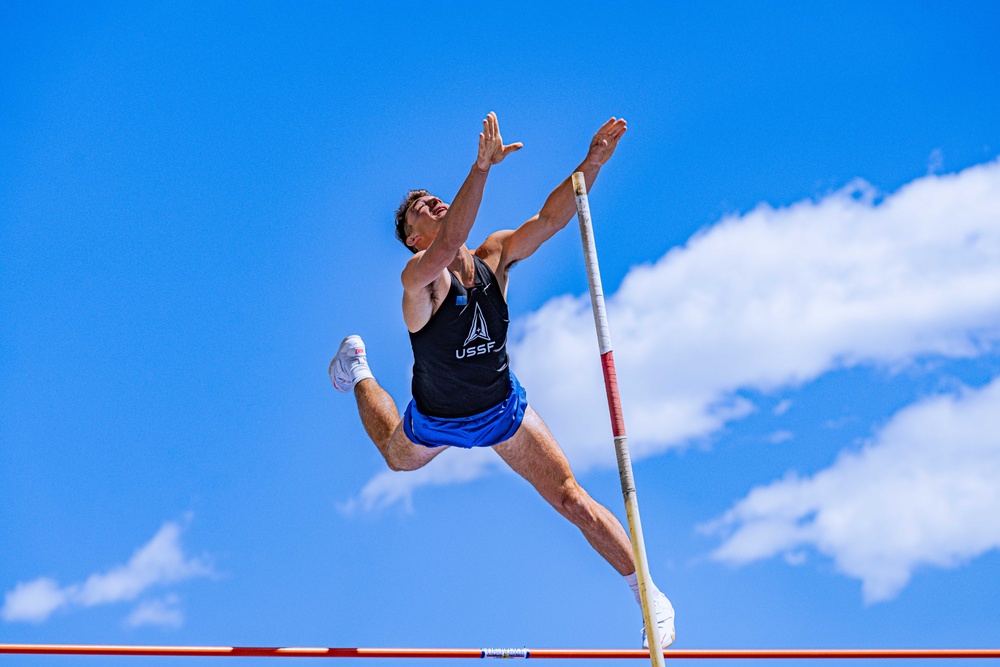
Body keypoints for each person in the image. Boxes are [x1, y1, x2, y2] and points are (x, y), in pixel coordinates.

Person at [330, 112, 675, 648]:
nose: (432, 202)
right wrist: (481, 167)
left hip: (501, 412)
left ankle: (646, 592)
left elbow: (549, 219)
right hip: (437, 419)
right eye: (421, 211)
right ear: (413, 241)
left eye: (434, 197)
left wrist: (591, 165)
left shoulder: (493, 256)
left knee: (572, 499)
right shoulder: (419, 279)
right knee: (395, 455)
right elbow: (447, 246)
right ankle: (358, 368)